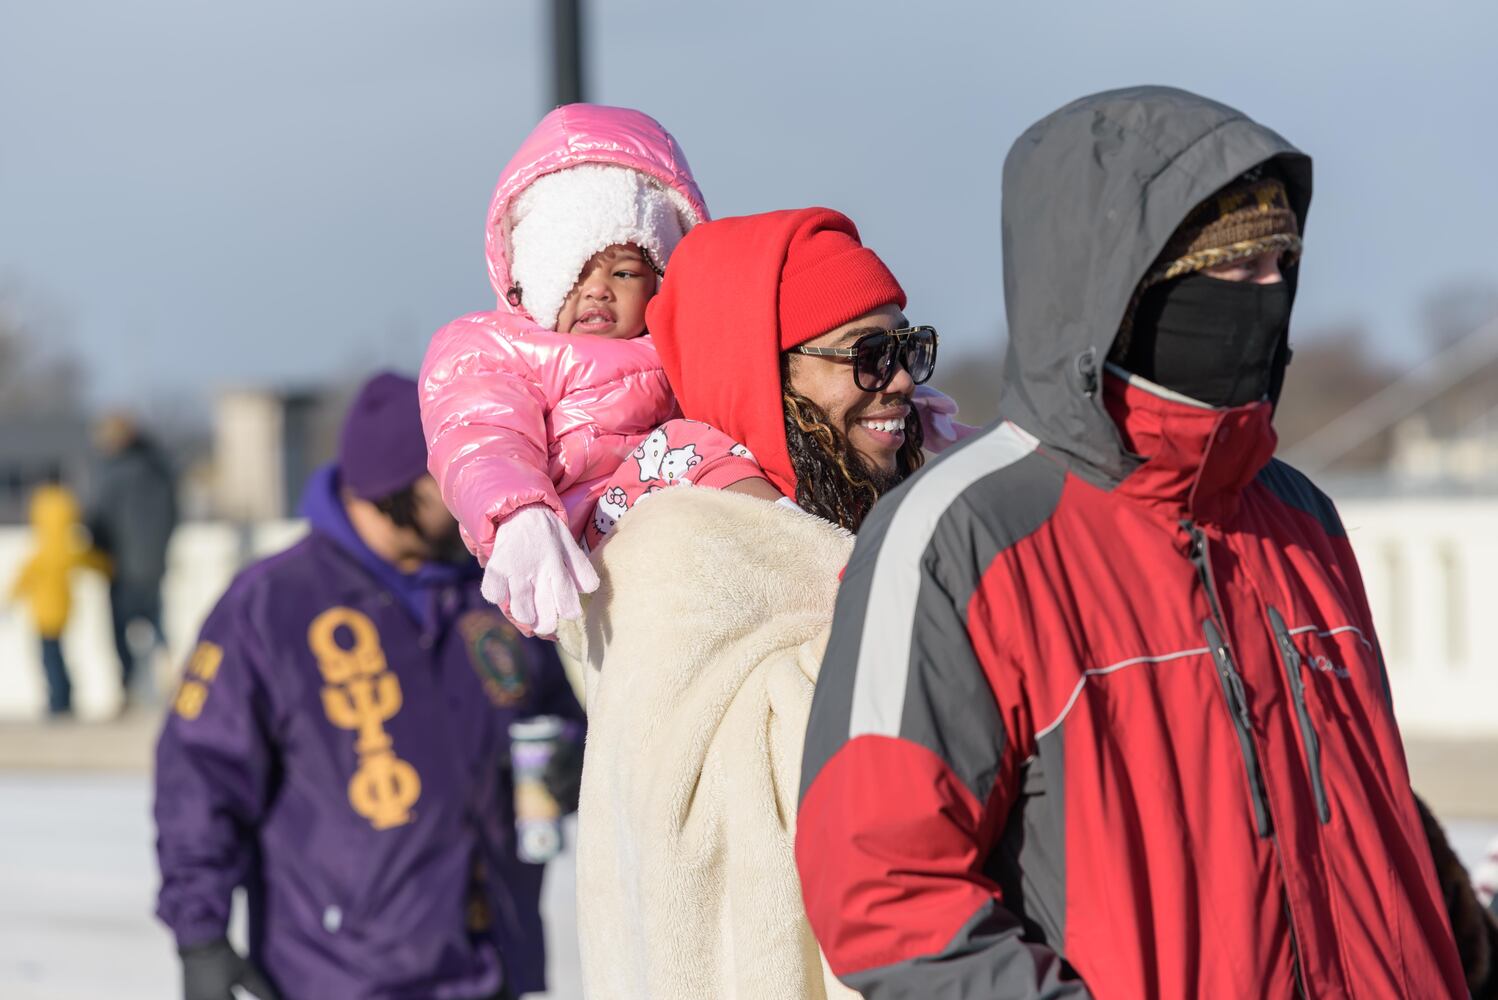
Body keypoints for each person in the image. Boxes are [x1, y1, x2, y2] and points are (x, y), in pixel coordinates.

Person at [797, 86, 1470, 998]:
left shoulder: (1298, 518)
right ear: (1121, 291)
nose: (1268, 297)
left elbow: (1371, 824)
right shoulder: (960, 535)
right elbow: (886, 894)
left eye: (1282, 265)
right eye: (1233, 273)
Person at [560, 208, 929, 1000]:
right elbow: (682, 823)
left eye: (906, 350)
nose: (898, 380)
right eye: (866, 354)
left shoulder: (887, 531)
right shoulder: (673, 553)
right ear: (762, 372)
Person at [154, 373, 584, 1000]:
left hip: (492, 966)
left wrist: (572, 760)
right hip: (342, 976)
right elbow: (200, 776)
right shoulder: (271, 606)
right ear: (393, 488)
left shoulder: (491, 589)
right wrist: (201, 937)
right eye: (453, 475)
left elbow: (555, 713)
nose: (476, 490)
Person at [419, 102, 708, 638]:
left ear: (662, 281)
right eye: (573, 271)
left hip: (691, 546)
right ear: (534, 275)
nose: (598, 288)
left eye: (624, 271)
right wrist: (518, 513)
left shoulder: (690, 351)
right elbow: (481, 434)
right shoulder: (500, 348)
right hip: (576, 565)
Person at [87, 413, 178, 702]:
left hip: (122, 564)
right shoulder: (159, 468)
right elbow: (173, 514)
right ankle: (171, 674)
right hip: (154, 561)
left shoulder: (115, 473)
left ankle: (127, 688)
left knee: (120, 629)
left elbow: (99, 519)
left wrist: (98, 551)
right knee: (157, 624)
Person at [5, 478, 110, 717]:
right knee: (58, 655)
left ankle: (58, 699)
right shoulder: (69, 548)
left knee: (49, 658)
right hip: (64, 610)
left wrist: (9, 598)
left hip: (43, 615)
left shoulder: (41, 552)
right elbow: (92, 561)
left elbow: (24, 577)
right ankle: (64, 696)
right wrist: (109, 567)